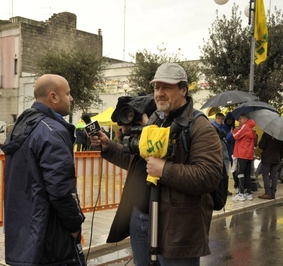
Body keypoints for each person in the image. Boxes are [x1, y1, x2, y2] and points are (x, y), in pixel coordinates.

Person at [91, 63, 223, 265]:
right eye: (156, 87)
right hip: (141, 219)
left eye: (166, 87)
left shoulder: (200, 126)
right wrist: (108, 146)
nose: (159, 93)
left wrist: (164, 170)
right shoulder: (155, 120)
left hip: (176, 229)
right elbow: (138, 162)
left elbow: (208, 176)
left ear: (183, 90)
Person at [1, 74, 86, 266]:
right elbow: (61, 189)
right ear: (53, 97)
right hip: (51, 236)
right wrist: (74, 224)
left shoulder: (24, 124)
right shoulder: (52, 131)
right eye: (68, 93)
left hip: (25, 232)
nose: (71, 99)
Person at [89, 94, 156, 265]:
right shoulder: (138, 142)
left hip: (165, 217)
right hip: (138, 214)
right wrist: (108, 145)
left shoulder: (167, 131)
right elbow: (133, 162)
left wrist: (148, 127)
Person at [232, 113, 256, 202]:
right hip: (249, 154)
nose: (239, 121)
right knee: (247, 174)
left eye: (240, 119)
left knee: (240, 174)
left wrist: (234, 130)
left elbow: (235, 136)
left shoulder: (245, 127)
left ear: (245, 119)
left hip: (241, 153)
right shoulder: (251, 128)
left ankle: (241, 194)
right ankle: (248, 193)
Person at [258, 132, 283, 199]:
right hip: (276, 159)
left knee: (266, 175)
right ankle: (273, 193)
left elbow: (261, 145)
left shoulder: (266, 134)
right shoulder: (280, 136)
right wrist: (279, 157)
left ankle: (267, 193)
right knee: (274, 176)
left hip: (267, 158)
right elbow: (282, 150)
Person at [212, 112, 232, 196]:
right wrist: (231, 133)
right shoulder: (213, 127)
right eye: (219, 118)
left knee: (225, 173)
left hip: (225, 153)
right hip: (217, 153)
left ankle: (224, 189)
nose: (220, 120)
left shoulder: (223, 127)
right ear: (216, 118)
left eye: (222, 119)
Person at [223, 112, 237, 194]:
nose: (229, 121)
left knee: (235, 171)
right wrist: (230, 133)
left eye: (231, 120)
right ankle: (225, 189)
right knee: (226, 173)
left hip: (234, 153)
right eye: (228, 119)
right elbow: (225, 140)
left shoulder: (235, 128)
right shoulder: (223, 128)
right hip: (225, 153)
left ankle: (237, 187)